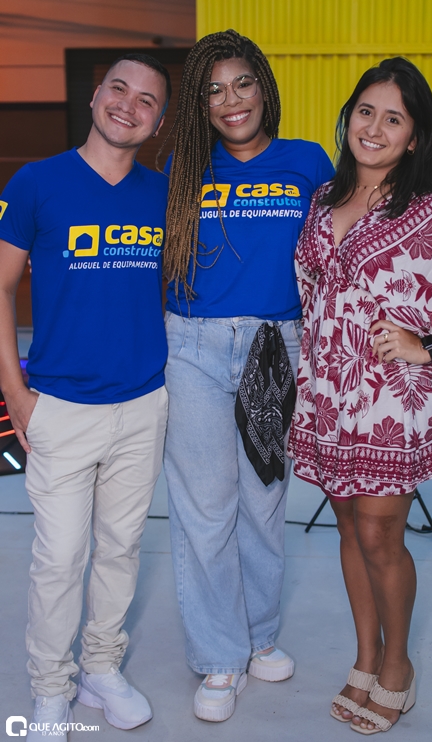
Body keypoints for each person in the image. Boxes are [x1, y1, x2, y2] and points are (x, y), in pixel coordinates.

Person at [288, 57, 432, 735]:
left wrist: (424, 346)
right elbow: (311, 292)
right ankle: (364, 657)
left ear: (414, 138)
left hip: (389, 398)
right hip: (328, 392)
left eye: (394, 119)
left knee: (380, 533)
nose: (374, 128)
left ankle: (397, 666)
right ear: (348, 117)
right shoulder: (322, 200)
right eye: (365, 112)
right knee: (348, 525)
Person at [161, 29, 334, 722]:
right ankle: (218, 656)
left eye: (242, 83)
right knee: (205, 508)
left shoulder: (307, 161)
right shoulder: (183, 168)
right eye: (213, 90)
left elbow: (338, 252)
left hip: (274, 346)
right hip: (193, 348)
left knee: (263, 502)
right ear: (199, 105)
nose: (231, 100)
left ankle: (259, 635)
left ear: (263, 88)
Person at [0, 54, 171, 740]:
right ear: (96, 96)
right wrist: (14, 391)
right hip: (60, 407)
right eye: (119, 89)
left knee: (122, 548)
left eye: (147, 100)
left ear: (158, 121)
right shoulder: (36, 183)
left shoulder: (163, 195)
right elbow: (1, 286)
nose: (129, 104)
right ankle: (50, 687)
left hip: (143, 405)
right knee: (60, 558)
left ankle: (101, 667)